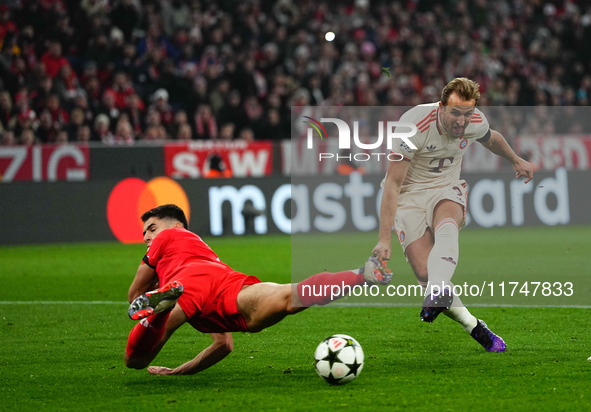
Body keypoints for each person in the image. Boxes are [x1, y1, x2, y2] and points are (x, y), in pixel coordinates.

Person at [125, 204, 392, 375]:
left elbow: (134, 295)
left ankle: (162, 309)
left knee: (135, 361)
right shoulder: (198, 249)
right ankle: (362, 274)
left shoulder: (170, 236)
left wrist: (153, 289)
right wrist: (179, 372)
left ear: (176, 225)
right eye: (145, 233)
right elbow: (223, 346)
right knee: (291, 297)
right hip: (228, 287)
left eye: (152, 228)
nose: (147, 236)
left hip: (186, 285)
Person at [372, 77, 534, 352]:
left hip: (445, 187)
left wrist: (515, 159)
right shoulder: (413, 126)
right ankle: (475, 326)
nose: (462, 121)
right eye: (455, 113)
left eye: (467, 114)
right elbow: (393, 184)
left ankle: (437, 290)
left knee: (448, 217)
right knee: (425, 272)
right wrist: (383, 239)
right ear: (441, 107)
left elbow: (491, 138)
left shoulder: (474, 121)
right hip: (408, 197)